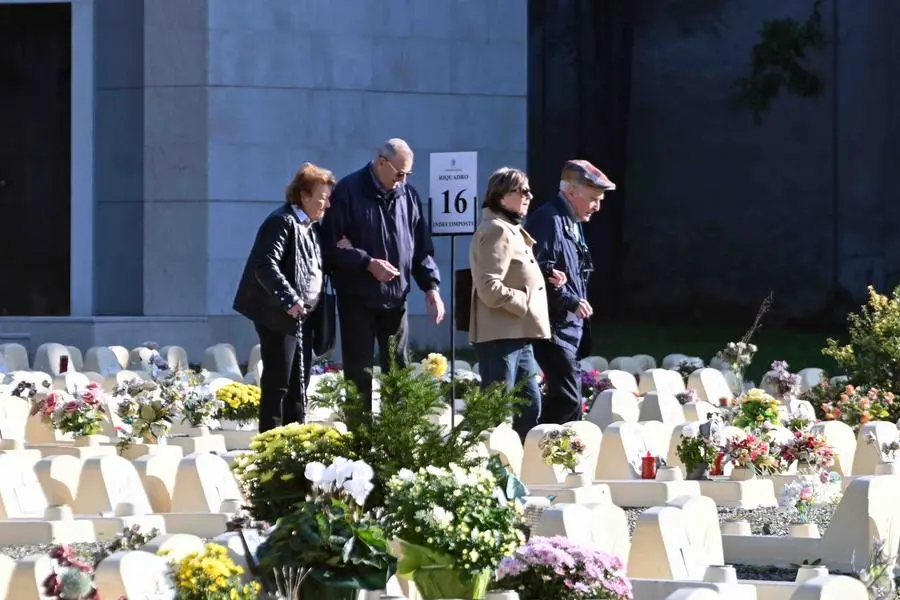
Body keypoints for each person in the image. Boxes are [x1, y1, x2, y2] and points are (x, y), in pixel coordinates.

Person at [319, 138, 444, 412]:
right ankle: (360, 443)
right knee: (358, 374)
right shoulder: (348, 192)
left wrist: (431, 287)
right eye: (399, 173)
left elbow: (421, 250)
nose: (402, 179)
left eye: (407, 174)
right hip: (357, 300)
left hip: (396, 301)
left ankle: (395, 439)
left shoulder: (408, 196)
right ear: (380, 162)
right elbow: (327, 250)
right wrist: (366, 262)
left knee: (396, 372)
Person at [233, 162, 336, 433]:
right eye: (322, 199)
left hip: (303, 316)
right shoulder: (282, 221)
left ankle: (295, 439)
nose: (327, 205)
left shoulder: (311, 227)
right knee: (279, 381)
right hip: (278, 315)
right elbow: (265, 264)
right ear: (303, 196)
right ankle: (271, 443)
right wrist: (290, 300)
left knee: (298, 383)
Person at [468, 167, 566, 441]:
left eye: (528, 190)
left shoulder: (510, 230)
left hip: (518, 336)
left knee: (529, 408)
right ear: (500, 197)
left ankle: (523, 468)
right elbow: (488, 287)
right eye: (520, 190)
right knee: (497, 414)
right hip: (500, 338)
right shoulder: (496, 231)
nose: (528, 196)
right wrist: (525, 301)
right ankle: (491, 470)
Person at [525, 159, 615, 425]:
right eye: (593, 198)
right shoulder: (548, 219)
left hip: (568, 328)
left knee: (567, 401)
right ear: (572, 191)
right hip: (553, 328)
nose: (597, 206)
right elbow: (538, 272)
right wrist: (569, 300)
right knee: (568, 401)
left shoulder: (570, 221)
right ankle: (542, 453)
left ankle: (557, 455)